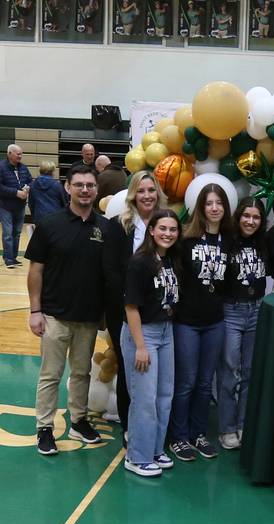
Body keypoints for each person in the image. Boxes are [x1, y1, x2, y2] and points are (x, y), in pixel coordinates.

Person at [25, 165, 110, 455]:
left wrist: (102, 313)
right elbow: (35, 271)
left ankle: (79, 420)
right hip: (53, 316)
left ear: (97, 190)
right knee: (50, 374)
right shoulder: (49, 225)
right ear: (67, 187)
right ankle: (44, 428)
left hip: (87, 318)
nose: (85, 189)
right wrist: (35, 311)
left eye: (89, 185)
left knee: (82, 373)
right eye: (79, 184)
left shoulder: (105, 228)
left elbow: (106, 275)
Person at [168, 183, 233, 461]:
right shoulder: (186, 241)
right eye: (209, 203)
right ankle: (179, 437)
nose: (214, 208)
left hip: (215, 321)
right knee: (186, 382)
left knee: (206, 384)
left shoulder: (230, 242)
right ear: (201, 208)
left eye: (219, 203)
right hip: (187, 322)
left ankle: (198, 433)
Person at [104, 171, 168, 445]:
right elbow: (110, 270)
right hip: (125, 309)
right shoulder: (120, 226)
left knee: (155, 375)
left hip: (158, 314)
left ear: (158, 194)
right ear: (133, 194)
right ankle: (129, 426)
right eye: (141, 190)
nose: (146, 196)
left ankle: (152, 426)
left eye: (151, 190)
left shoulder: (165, 223)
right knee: (129, 370)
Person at [122, 209, 181, 477]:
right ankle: (137, 456)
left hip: (166, 331)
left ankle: (155, 450)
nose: (168, 234)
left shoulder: (170, 260)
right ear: (152, 231)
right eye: (163, 229)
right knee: (144, 398)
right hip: (142, 333)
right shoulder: (140, 262)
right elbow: (131, 307)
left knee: (164, 395)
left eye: (173, 229)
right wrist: (141, 346)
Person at [217, 197, 268, 450]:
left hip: (257, 310)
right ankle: (226, 428)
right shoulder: (227, 242)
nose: (251, 221)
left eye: (256, 217)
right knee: (229, 372)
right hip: (231, 311)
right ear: (238, 218)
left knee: (250, 372)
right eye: (246, 216)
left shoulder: (263, 243)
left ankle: (243, 424)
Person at [0, 144, 33, 268]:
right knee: (8, 233)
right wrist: (16, 192)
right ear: (9, 154)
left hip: (20, 206)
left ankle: (13, 257)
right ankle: (8, 258)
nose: (20, 156)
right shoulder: (1, 167)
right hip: (5, 206)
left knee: (17, 232)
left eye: (21, 154)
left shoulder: (23, 167)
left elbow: (30, 180)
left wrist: (27, 188)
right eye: (18, 154)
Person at [28, 160, 67, 225]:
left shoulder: (33, 185)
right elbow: (64, 202)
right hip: (55, 217)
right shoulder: (57, 185)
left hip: (39, 217)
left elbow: (31, 203)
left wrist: (34, 216)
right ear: (52, 171)